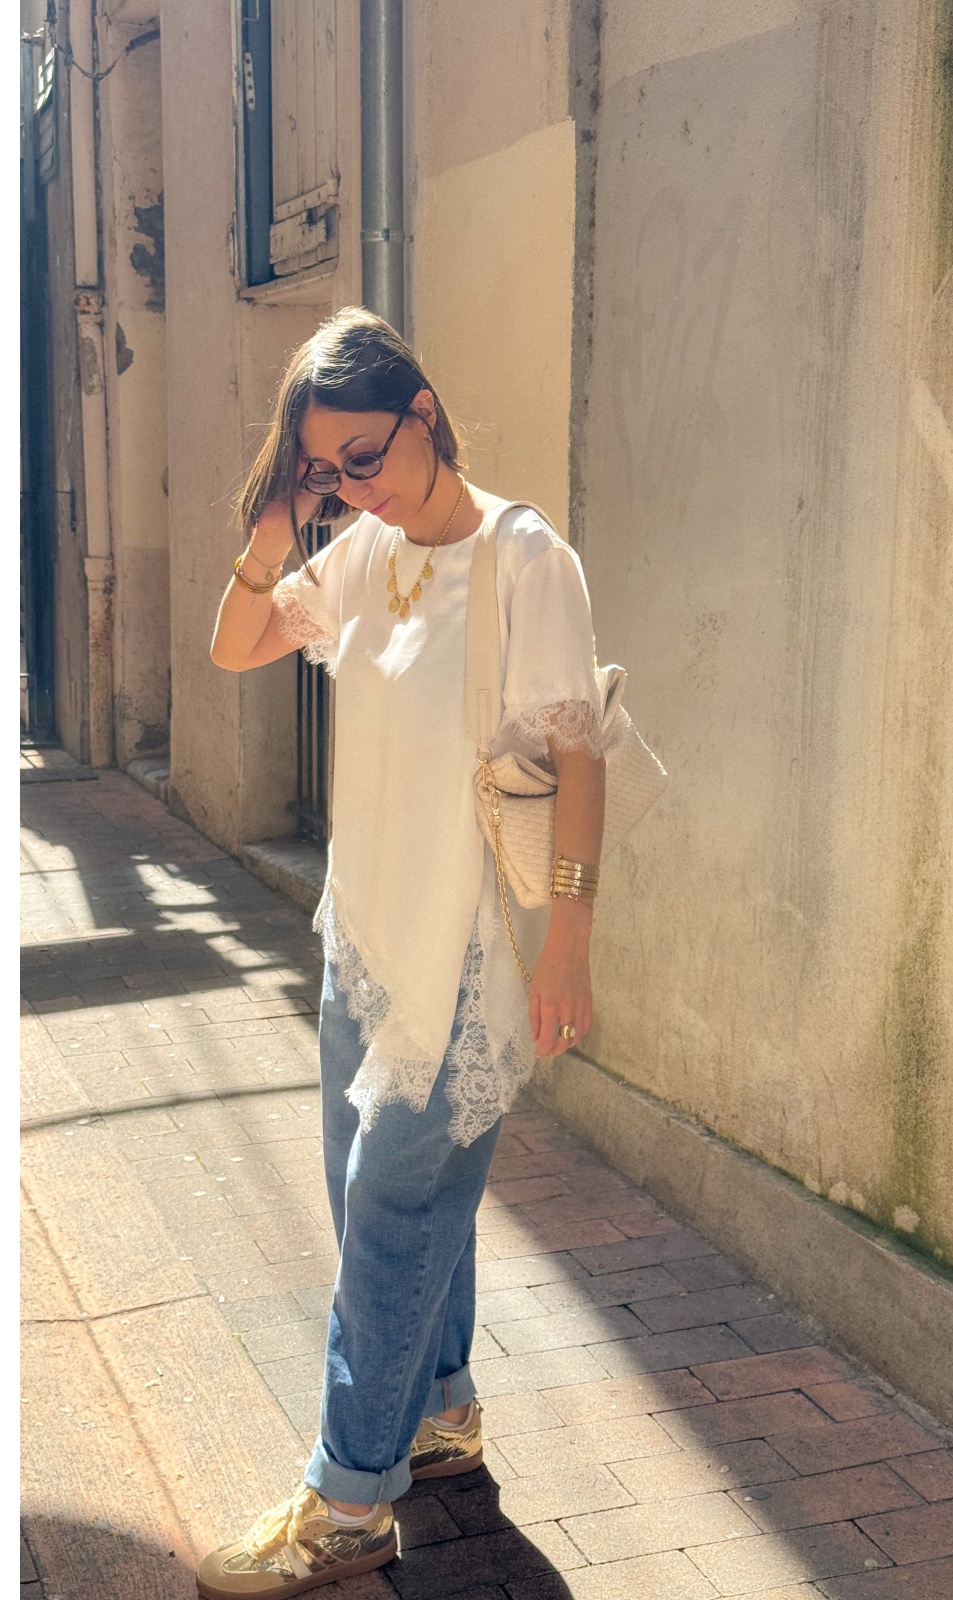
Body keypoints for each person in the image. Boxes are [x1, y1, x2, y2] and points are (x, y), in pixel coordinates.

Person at [197, 307, 606, 1597]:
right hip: (365, 936)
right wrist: (281, 521)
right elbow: (235, 645)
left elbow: (581, 755)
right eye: (328, 468)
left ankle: (347, 1500)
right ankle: (438, 1411)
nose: (355, 486)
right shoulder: (364, 554)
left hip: (468, 950)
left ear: (424, 412)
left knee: (390, 1215)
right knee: (382, 1199)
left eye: (365, 456)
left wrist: (569, 941)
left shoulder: (523, 555)